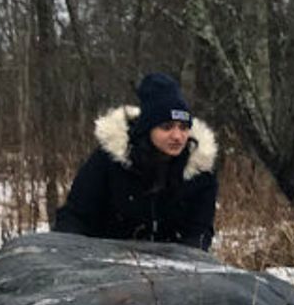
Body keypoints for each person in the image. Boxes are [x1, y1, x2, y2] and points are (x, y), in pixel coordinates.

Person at [53, 73, 218, 250]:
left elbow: (198, 232)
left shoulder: (200, 171)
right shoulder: (109, 161)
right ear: (147, 128)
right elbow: (75, 216)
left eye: (184, 127)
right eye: (167, 127)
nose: (177, 136)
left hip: (175, 269)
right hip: (106, 263)